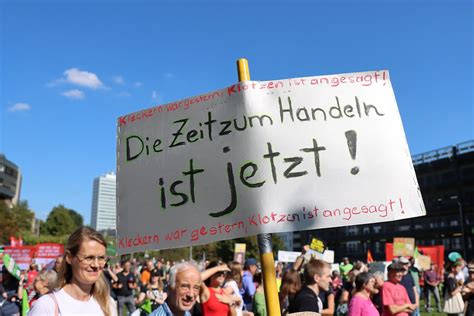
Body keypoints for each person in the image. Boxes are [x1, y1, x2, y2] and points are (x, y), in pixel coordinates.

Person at [28, 226, 117, 315]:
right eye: (89, 258)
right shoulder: (46, 305)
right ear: (69, 258)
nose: (96, 265)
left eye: (101, 258)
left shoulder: (108, 304)